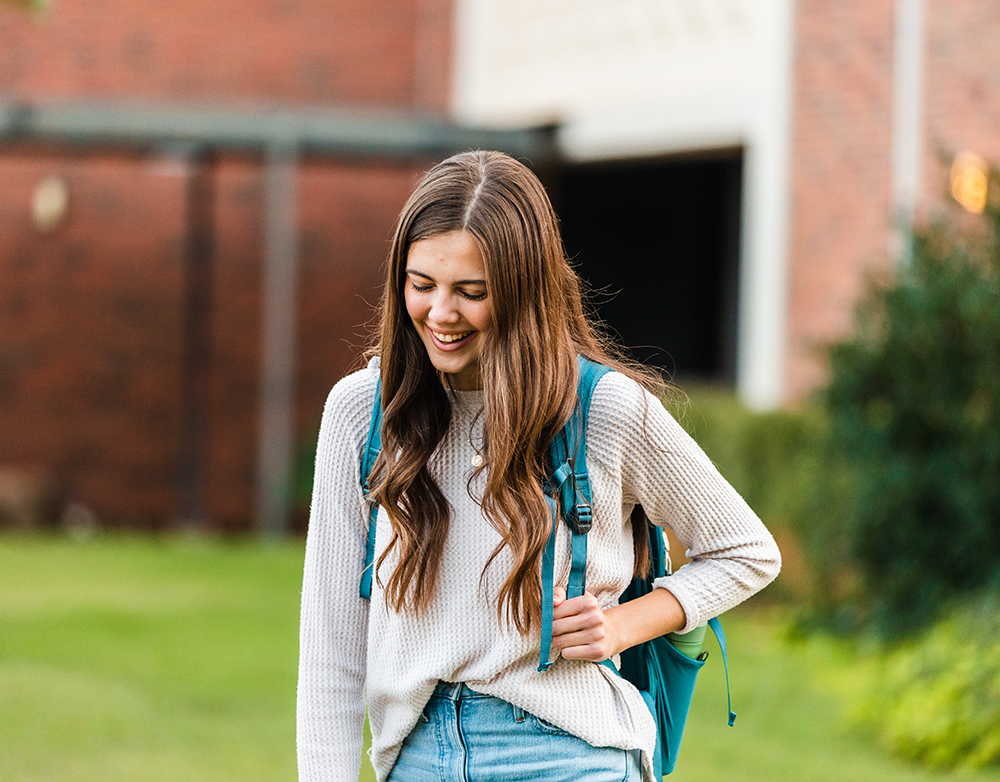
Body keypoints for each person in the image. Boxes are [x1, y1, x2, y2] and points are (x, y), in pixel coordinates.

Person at [296, 150, 781, 782]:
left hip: (568, 753)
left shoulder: (602, 409)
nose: (441, 314)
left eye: (471, 292)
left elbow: (746, 550)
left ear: (524, 291)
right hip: (417, 755)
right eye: (422, 285)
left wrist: (624, 624)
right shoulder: (362, 412)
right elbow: (332, 646)